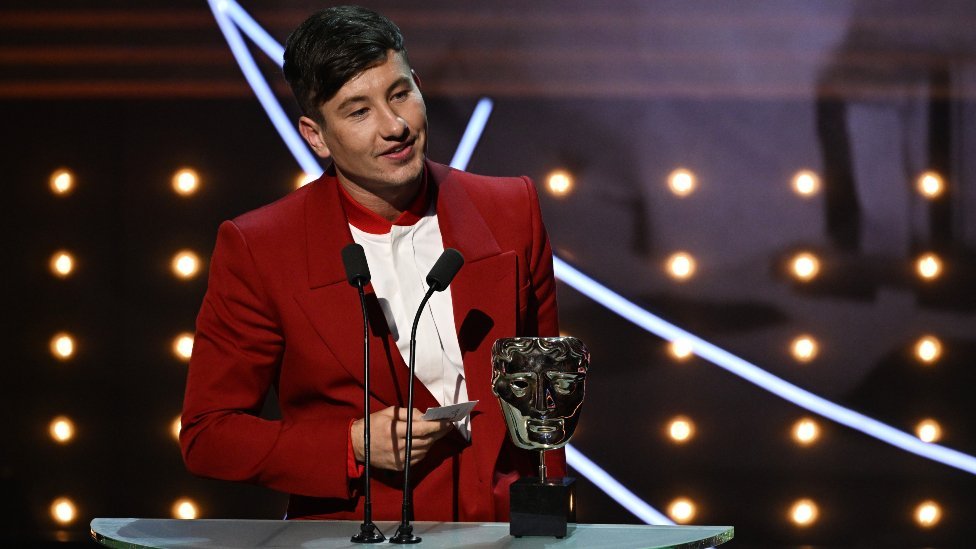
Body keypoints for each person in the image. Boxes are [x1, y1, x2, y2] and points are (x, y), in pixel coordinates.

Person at [179, 5, 564, 522]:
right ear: (315, 135)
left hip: (504, 529)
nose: (395, 127)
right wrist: (351, 445)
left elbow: (547, 398)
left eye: (400, 94)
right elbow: (210, 434)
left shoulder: (511, 209)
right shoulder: (262, 246)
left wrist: (549, 522)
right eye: (358, 111)